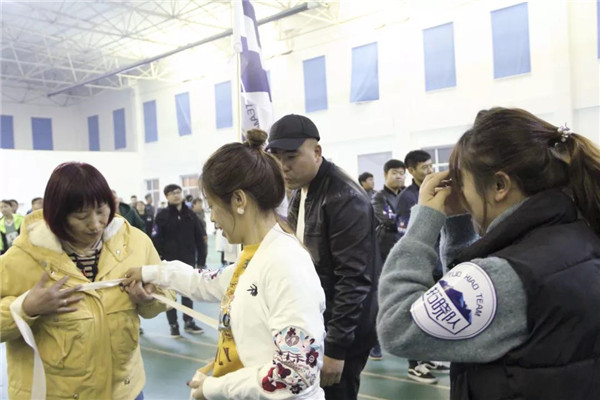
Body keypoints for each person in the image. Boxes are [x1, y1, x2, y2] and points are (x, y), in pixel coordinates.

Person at [377, 107, 600, 399]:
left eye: (464, 183)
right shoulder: (575, 233)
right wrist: (459, 222)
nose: (461, 193)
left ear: (499, 185)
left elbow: (397, 327)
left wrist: (423, 223)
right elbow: (473, 290)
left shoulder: (511, 274)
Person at [122, 129, 326, 400]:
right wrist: (151, 272)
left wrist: (214, 388)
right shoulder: (255, 256)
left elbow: (295, 373)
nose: (212, 218)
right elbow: (206, 281)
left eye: (212, 206)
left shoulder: (284, 263)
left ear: (239, 200)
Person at [0, 162, 174, 400]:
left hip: (124, 391)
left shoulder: (135, 243)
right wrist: (25, 308)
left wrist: (149, 299)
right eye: (81, 216)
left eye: (102, 211)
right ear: (57, 215)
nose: (95, 224)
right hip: (55, 394)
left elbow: (167, 293)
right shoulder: (23, 257)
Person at [268, 114, 380, 400]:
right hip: (318, 323)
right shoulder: (301, 191)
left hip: (342, 331)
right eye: (277, 157)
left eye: (291, 156)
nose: (283, 166)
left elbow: (353, 279)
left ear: (317, 152)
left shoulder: (344, 198)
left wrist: (336, 349)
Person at [394, 150, 445, 383]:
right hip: (419, 262)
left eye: (430, 165)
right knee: (415, 313)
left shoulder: (436, 188)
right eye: (424, 167)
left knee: (432, 313)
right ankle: (414, 364)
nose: (429, 170)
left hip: (438, 260)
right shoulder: (407, 198)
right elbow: (407, 234)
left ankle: (427, 357)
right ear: (411, 170)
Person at [153, 184, 206, 336]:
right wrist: (159, 259)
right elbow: (156, 239)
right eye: (171, 193)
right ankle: (173, 325)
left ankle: (189, 322)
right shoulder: (162, 216)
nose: (176, 195)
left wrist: (201, 261)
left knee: (188, 293)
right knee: (169, 295)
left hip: (188, 260)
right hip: (168, 262)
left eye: (178, 192)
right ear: (166, 196)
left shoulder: (191, 215)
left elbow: (200, 239)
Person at [369, 159, 406, 361]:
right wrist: (405, 221)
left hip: (404, 252)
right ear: (385, 175)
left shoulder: (407, 195)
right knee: (380, 299)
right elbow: (387, 220)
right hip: (383, 253)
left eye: (401, 173)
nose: (399, 176)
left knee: (403, 297)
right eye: (394, 172)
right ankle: (375, 343)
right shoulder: (378, 197)